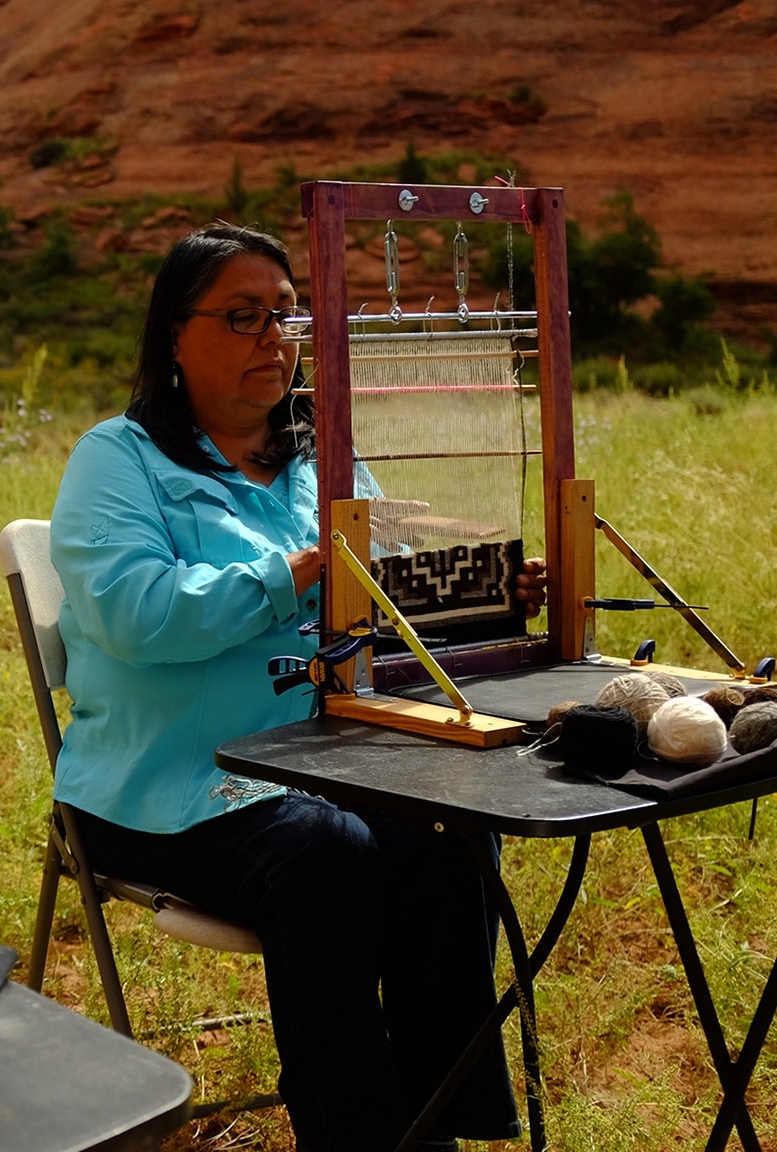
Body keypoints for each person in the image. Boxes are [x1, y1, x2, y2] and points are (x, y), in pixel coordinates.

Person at [49, 224, 545, 1151]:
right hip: (168, 787)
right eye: (242, 317)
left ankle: (441, 1121)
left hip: (320, 764)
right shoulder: (117, 461)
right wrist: (296, 572)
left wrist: (485, 598)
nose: (274, 337)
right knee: (327, 852)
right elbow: (134, 615)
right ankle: (351, 1134)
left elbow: (378, 598)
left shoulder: (321, 454)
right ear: (173, 337)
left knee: (449, 828)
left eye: (285, 314)